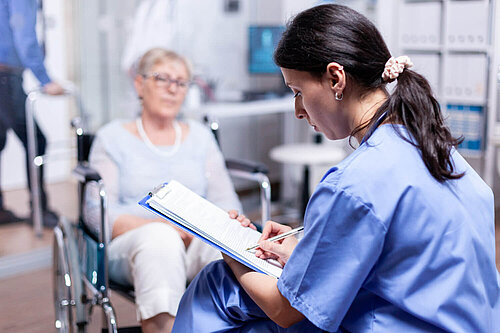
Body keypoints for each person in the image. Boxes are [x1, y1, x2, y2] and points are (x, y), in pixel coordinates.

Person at [172, 4, 500, 333]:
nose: (298, 110)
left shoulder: (354, 183)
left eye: (298, 91)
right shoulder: (438, 150)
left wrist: (230, 251)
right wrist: (308, 250)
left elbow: (284, 310)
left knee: (218, 285)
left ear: (335, 78)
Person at [85, 48, 246, 333]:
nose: (173, 89)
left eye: (181, 82)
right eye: (162, 79)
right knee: (160, 240)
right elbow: (98, 214)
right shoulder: (112, 138)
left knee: (226, 246)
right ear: (139, 84)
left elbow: (225, 199)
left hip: (195, 237)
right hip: (133, 241)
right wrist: (161, 225)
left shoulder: (200, 137)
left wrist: (225, 226)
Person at [0, 0, 64, 226]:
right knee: (36, 141)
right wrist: (45, 79)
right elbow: (23, 33)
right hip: (4, 77)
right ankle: (40, 210)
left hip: (5, 75)